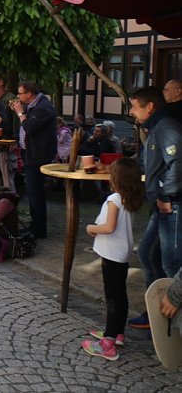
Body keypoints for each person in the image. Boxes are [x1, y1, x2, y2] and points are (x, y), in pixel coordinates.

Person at [127, 86, 182, 330]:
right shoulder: (155, 128)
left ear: (150, 107)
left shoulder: (166, 126)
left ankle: (173, 320)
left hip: (173, 206)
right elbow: (150, 162)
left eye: (134, 106)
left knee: (171, 262)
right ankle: (156, 314)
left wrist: (167, 195)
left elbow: (178, 162)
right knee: (148, 253)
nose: (131, 111)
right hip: (161, 205)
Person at [80, 158, 144, 361]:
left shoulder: (115, 198)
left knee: (113, 298)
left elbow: (109, 227)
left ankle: (108, 342)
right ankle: (117, 332)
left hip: (112, 254)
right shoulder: (129, 197)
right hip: (121, 254)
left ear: (117, 178)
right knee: (120, 295)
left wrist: (91, 228)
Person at [10, 81, 57, 239]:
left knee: (35, 192)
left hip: (38, 155)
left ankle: (39, 228)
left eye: (20, 93)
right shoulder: (35, 106)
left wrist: (19, 112)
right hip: (30, 152)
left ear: (29, 94)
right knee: (32, 191)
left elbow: (29, 127)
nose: (18, 96)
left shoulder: (44, 107)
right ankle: (35, 224)